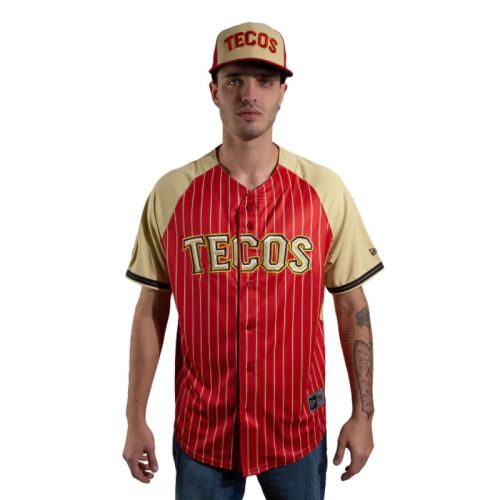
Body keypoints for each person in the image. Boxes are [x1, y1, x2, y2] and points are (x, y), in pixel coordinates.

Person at [122, 21, 384, 500]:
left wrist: (363, 415)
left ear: (283, 93)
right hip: (204, 433)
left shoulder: (323, 191)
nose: (249, 94)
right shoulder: (172, 193)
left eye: (265, 81)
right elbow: (151, 310)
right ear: (214, 92)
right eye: (234, 80)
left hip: (296, 428)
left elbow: (353, 308)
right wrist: (134, 417)